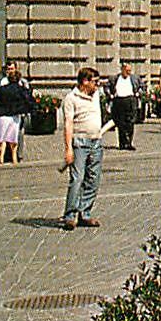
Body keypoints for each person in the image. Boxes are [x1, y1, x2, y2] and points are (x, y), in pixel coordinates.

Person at [60, 67, 107, 231]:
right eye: (95, 82)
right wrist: (68, 149)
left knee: (93, 179)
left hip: (96, 141)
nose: (97, 85)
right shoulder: (71, 99)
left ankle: (84, 213)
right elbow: (68, 124)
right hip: (79, 142)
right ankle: (70, 215)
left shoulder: (95, 96)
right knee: (77, 179)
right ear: (85, 81)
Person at [0, 64, 34, 164]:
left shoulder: (2, 89)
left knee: (2, 140)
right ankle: (14, 159)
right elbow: (29, 101)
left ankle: (1, 159)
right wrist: (26, 110)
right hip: (14, 116)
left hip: (1, 116)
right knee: (13, 139)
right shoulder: (21, 89)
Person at [108, 61, 139, 150]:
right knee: (120, 123)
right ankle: (122, 143)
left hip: (130, 100)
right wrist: (110, 94)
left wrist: (138, 93)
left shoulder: (134, 78)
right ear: (122, 70)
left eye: (130, 70)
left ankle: (129, 143)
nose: (128, 72)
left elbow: (142, 86)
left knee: (130, 122)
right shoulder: (115, 78)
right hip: (119, 101)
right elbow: (107, 86)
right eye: (127, 70)